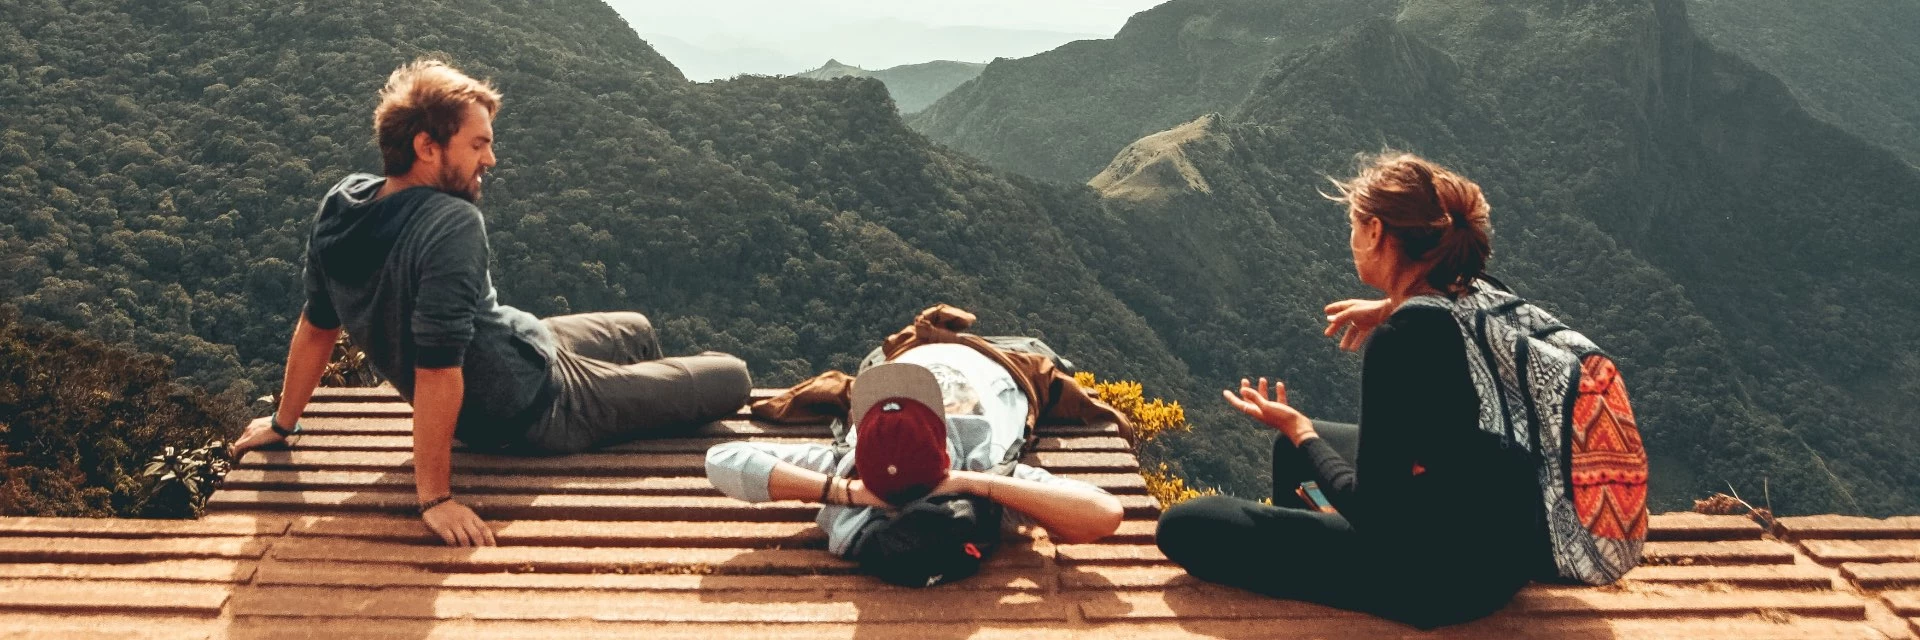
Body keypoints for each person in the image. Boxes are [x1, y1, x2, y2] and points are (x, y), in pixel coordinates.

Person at [229, 59, 752, 547]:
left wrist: (283, 422)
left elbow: (318, 324)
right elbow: (436, 368)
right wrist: (435, 498)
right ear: (427, 147)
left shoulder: (342, 204)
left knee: (635, 327)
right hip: (534, 406)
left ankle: (646, 395)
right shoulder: (451, 223)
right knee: (733, 377)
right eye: (478, 145)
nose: (491, 159)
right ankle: (640, 402)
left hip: (523, 343)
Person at [1154, 152, 1550, 628]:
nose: (1352, 239)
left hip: (1439, 582)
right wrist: (1389, 306)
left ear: (1378, 231)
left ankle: (1330, 571)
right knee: (1289, 448)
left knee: (1185, 525)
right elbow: (1442, 321)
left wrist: (1300, 427)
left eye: (1355, 226)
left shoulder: (1400, 342)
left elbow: (1376, 515)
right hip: (1506, 551)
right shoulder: (1479, 292)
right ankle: (1316, 563)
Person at [705, 305, 1125, 563]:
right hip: (1001, 361)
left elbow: (721, 460)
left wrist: (847, 492)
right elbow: (1104, 515)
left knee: (882, 354)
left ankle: (929, 330)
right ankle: (940, 330)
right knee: (1048, 355)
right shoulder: (982, 468)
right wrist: (968, 482)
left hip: (898, 355)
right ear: (943, 438)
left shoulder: (848, 468)